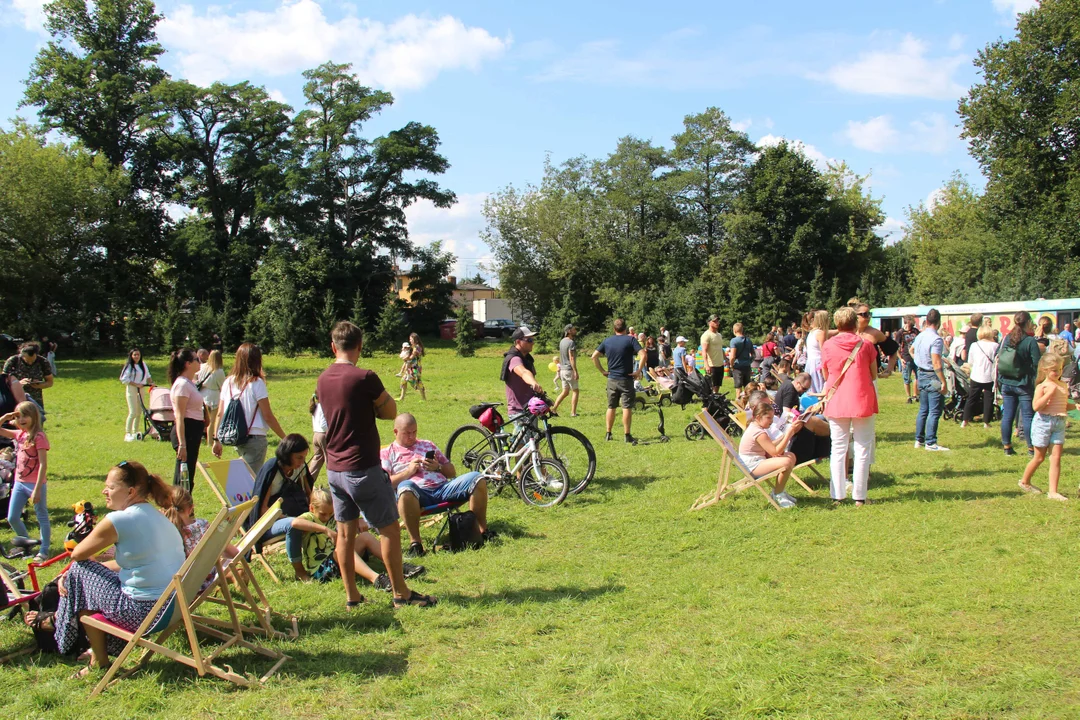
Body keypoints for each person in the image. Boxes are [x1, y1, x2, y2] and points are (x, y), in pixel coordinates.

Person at [316, 321, 433, 609]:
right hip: (362, 467)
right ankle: (401, 594)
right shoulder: (365, 377)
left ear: (333, 347)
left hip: (335, 469)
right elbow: (391, 411)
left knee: (345, 533)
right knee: (389, 529)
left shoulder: (322, 379)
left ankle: (352, 597)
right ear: (360, 346)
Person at [36, 461, 185, 678]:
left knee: (78, 569)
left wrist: (68, 574)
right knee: (83, 578)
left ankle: (61, 624)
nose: (104, 491)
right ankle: (92, 651)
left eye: (111, 487)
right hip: (172, 608)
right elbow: (135, 562)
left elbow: (78, 555)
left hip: (143, 613)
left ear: (131, 491)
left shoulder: (120, 519)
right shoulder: (157, 517)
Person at [382, 413, 494, 557]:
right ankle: (416, 544)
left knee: (477, 478)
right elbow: (385, 484)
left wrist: (438, 467)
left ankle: (481, 531)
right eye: (407, 433)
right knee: (405, 486)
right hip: (417, 495)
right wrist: (408, 471)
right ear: (396, 432)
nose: (411, 436)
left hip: (442, 489)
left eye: (414, 432)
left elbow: (451, 472)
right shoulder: (387, 453)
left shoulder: (427, 445)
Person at [289, 488, 423, 588]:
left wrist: (359, 522)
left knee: (365, 537)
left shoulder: (331, 517)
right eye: (323, 514)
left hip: (338, 557)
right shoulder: (309, 517)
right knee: (343, 550)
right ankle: (376, 579)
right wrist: (325, 529)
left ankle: (399, 565)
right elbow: (295, 523)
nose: (327, 517)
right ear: (312, 508)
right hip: (321, 570)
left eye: (331, 513)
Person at [821, 306, 879, 505]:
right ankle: (860, 497)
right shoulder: (866, 345)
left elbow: (826, 374)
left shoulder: (828, 346)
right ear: (855, 323)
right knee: (862, 447)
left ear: (837, 324)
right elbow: (873, 374)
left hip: (837, 399)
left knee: (838, 447)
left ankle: (837, 495)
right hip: (862, 399)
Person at [211, 343, 287, 471]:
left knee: (244, 476)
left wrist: (216, 439)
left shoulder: (228, 382)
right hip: (255, 438)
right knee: (250, 482)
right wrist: (285, 438)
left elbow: (220, 413)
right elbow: (267, 416)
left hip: (236, 437)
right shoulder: (256, 383)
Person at [250, 434, 315, 576]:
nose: (302, 461)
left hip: (298, 514)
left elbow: (310, 495)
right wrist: (287, 518)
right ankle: (300, 571)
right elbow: (262, 510)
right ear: (287, 454)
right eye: (299, 457)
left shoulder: (299, 467)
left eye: (304, 457)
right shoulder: (272, 469)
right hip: (269, 524)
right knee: (293, 525)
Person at [1019, 354, 1073, 500]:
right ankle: (1025, 481)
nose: (1058, 373)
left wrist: (1074, 405)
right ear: (1045, 370)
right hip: (1043, 422)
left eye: (1060, 369)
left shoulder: (1062, 385)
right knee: (1039, 457)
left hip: (1059, 422)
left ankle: (1053, 492)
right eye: (1054, 370)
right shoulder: (1042, 386)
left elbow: (1062, 404)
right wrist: (1048, 393)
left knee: (1056, 457)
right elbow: (1036, 406)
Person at [0, 401, 50, 560]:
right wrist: (6, 417)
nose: (22, 419)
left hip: (35, 484)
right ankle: (26, 543)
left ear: (34, 417)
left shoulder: (39, 437)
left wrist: (36, 489)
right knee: (12, 517)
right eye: (18, 416)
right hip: (20, 483)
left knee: (42, 516)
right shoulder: (19, 435)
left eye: (25, 416)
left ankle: (44, 550)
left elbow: (43, 464)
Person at [592, 318, 646, 445]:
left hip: (611, 379)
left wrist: (603, 371)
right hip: (626, 379)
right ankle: (627, 435)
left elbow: (594, 356)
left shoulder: (607, 340)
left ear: (614, 329)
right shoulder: (630, 339)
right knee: (626, 407)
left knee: (611, 406)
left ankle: (608, 433)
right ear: (625, 328)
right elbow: (643, 354)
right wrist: (638, 371)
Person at [738, 402, 800, 508]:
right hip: (751, 466)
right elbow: (774, 452)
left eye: (772, 418)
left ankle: (779, 491)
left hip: (758, 460)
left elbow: (770, 446)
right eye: (769, 418)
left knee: (791, 456)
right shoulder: (758, 432)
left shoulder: (757, 428)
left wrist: (784, 436)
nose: (771, 421)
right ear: (758, 417)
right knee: (786, 462)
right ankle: (778, 494)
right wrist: (789, 434)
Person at [998, 311, 1042, 457]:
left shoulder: (1007, 338)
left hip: (1006, 381)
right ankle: (1031, 448)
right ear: (1028, 322)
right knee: (1028, 416)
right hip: (1024, 383)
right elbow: (1037, 364)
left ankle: (1007, 447)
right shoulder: (1030, 341)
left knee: (1008, 416)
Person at [910, 309, 949, 452]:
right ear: (938, 322)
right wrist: (943, 381)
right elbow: (936, 362)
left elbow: (911, 350)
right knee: (935, 410)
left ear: (927, 321)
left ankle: (919, 440)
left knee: (923, 410)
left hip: (921, 373)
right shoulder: (936, 339)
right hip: (932, 375)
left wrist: (918, 361)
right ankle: (931, 442)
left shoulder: (920, 336)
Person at [167, 348, 205, 491]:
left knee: (189, 474)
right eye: (196, 359)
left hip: (193, 431)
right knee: (183, 475)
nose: (199, 362)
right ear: (188, 364)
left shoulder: (189, 383)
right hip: (186, 432)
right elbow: (179, 416)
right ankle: (177, 507)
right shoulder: (181, 385)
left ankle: (185, 507)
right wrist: (182, 444)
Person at [962, 323, 1000, 428]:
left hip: (976, 375)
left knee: (971, 398)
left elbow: (970, 361)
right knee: (988, 399)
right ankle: (986, 422)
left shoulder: (974, 345)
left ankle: (965, 420)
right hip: (989, 376)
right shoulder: (995, 346)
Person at [501, 327, 543, 418]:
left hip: (530, 408)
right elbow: (523, 372)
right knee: (528, 433)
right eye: (529, 340)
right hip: (518, 411)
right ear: (518, 342)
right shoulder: (514, 359)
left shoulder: (527, 358)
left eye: (533, 340)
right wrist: (533, 382)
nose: (533, 342)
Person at [3, 341, 54, 412]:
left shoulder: (43, 362)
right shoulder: (13, 361)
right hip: (16, 398)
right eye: (27, 361)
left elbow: (50, 382)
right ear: (22, 355)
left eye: (33, 361)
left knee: (38, 419)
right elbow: (3, 382)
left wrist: (39, 385)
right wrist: (18, 384)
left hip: (35, 399)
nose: (30, 363)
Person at [119, 348, 152, 442]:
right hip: (132, 389)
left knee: (139, 412)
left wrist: (152, 383)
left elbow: (148, 376)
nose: (137, 356)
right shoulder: (129, 366)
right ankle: (128, 433)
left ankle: (135, 431)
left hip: (141, 389)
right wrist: (136, 384)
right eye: (135, 355)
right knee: (133, 412)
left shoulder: (143, 365)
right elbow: (124, 379)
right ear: (131, 356)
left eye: (138, 355)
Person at [552, 324, 580, 416]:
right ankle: (573, 413)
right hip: (569, 370)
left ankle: (554, 409)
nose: (575, 330)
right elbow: (571, 357)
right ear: (569, 331)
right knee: (575, 391)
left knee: (565, 392)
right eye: (573, 329)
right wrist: (575, 371)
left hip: (562, 370)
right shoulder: (571, 342)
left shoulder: (562, 341)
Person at [196, 350, 226, 435]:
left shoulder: (202, 367)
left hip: (202, 394)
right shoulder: (219, 371)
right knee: (212, 421)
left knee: (204, 419)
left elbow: (196, 377)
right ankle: (210, 441)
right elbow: (222, 386)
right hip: (213, 396)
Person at [895, 315, 920, 404]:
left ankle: (915, 395)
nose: (910, 326)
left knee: (918, 377)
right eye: (909, 324)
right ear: (905, 323)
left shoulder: (915, 331)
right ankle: (908, 397)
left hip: (916, 357)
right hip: (906, 357)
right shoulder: (900, 333)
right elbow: (895, 347)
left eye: (911, 324)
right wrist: (900, 358)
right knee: (907, 378)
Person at [804, 310, 829, 394]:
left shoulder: (812, 332)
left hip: (810, 363)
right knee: (821, 387)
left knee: (812, 387)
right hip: (818, 362)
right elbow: (823, 351)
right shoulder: (821, 333)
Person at [700, 315, 726, 393]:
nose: (717, 323)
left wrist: (726, 358)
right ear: (709, 323)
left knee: (718, 384)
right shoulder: (706, 335)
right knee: (711, 385)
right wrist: (706, 364)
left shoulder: (719, 335)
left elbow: (720, 348)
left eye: (717, 321)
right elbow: (704, 350)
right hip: (711, 365)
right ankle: (710, 401)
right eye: (714, 321)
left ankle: (716, 398)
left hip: (720, 364)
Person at [397, 333, 427, 402]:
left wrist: (404, 358)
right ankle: (402, 398)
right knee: (404, 380)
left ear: (414, 339)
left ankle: (423, 398)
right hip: (413, 367)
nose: (410, 341)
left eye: (411, 339)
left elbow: (411, 357)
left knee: (417, 382)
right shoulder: (416, 347)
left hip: (415, 368)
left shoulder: (416, 348)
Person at [727, 322, 755, 391]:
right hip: (747, 366)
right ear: (742, 330)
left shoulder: (734, 341)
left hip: (738, 367)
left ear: (734, 330)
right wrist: (749, 361)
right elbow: (753, 354)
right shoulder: (748, 340)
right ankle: (747, 401)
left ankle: (739, 400)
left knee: (738, 387)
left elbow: (732, 356)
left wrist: (731, 365)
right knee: (747, 387)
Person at [308, 390, 328, 482]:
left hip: (316, 435)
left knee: (317, 460)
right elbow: (324, 425)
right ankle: (334, 482)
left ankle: (307, 481)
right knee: (330, 460)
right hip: (323, 435)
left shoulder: (315, 407)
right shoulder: (324, 406)